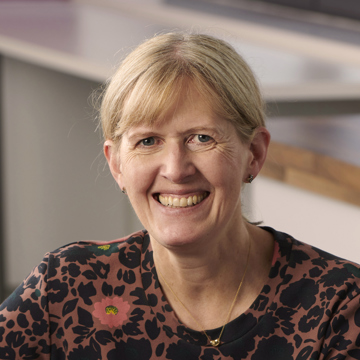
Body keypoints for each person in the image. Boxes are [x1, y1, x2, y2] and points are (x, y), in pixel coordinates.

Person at [1, 32, 360, 360]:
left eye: (202, 138)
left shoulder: (339, 304)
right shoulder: (67, 286)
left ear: (254, 153)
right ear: (117, 165)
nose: (175, 169)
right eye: (148, 141)